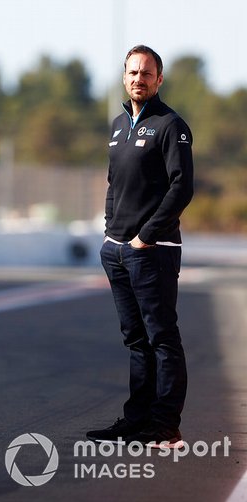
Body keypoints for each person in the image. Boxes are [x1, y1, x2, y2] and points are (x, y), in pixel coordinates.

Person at [87, 45, 194, 447]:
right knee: (136, 341)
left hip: (154, 250)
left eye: (147, 73)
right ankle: (137, 420)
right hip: (117, 250)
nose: (139, 79)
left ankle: (165, 426)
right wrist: (109, 233)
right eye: (133, 72)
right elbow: (114, 184)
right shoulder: (117, 125)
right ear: (124, 77)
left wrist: (144, 236)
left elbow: (183, 186)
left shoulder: (171, 125)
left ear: (159, 79)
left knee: (162, 338)